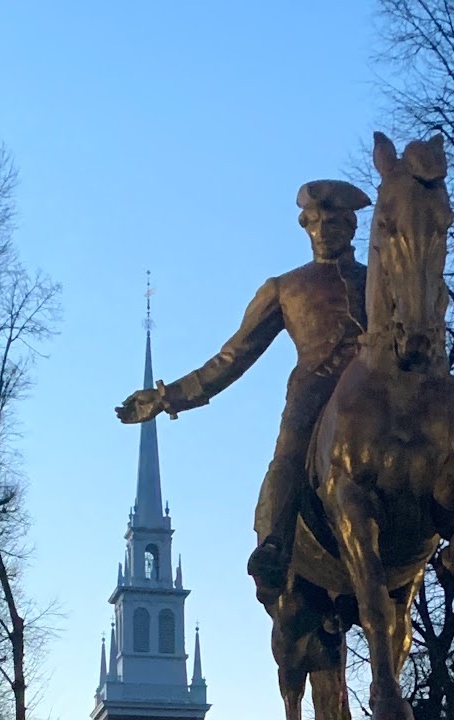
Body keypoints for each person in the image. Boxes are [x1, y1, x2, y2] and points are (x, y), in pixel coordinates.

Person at [116, 179, 371, 607]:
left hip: (376, 384)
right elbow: (232, 358)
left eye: (335, 223)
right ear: (306, 228)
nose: (325, 231)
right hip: (316, 388)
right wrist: (166, 397)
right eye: (316, 223)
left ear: (351, 227)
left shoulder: (379, 281)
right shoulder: (285, 288)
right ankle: (275, 545)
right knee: (289, 453)